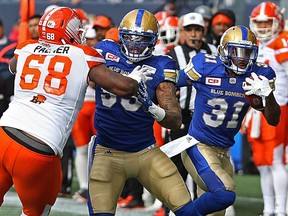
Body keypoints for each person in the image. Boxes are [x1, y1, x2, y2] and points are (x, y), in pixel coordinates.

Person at [0, 7, 149, 216]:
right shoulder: (84, 55)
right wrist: (135, 79)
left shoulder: (25, 48)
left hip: (4, 133)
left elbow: (15, 66)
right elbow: (124, 87)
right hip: (39, 145)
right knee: (35, 212)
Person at [88, 8, 201, 216]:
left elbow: (175, 120)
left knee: (188, 209)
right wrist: (123, 80)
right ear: (121, 36)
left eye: (142, 39)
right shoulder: (105, 50)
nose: (135, 44)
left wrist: (151, 107)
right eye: (130, 38)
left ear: (153, 41)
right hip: (107, 151)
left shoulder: (161, 64)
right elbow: (91, 80)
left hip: (145, 152)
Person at [163, 25, 281, 216]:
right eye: (236, 51)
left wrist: (268, 95)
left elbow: (273, 120)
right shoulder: (205, 65)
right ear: (223, 50)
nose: (242, 58)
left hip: (224, 152)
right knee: (225, 193)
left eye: (247, 52)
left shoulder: (259, 75)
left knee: (215, 212)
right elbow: (170, 82)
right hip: (198, 146)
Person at [244, 2, 288, 216]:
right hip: (256, 112)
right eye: (258, 23)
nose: (262, 27)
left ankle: (281, 210)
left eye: (266, 22)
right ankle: (268, 209)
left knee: (277, 161)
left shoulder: (282, 42)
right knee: (261, 163)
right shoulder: (255, 46)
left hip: (279, 107)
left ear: (277, 21)